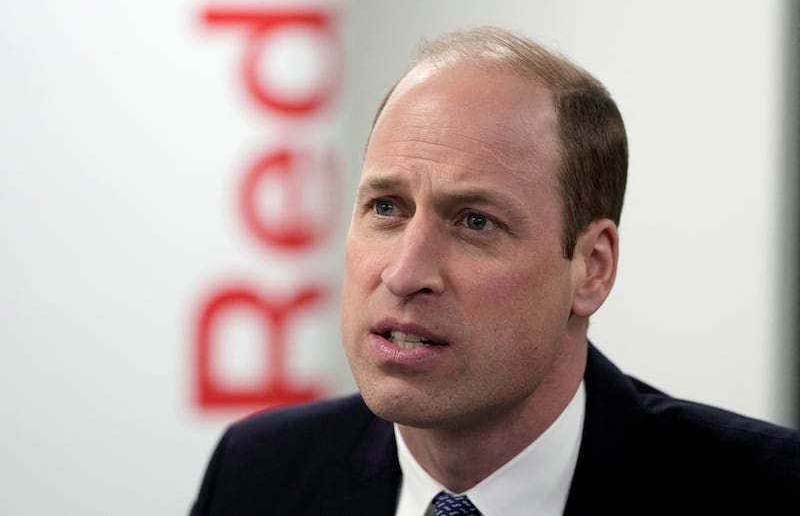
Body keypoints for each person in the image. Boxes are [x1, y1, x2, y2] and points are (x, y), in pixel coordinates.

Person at [189, 26, 800, 516]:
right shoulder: (258, 473)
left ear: (591, 268)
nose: (405, 273)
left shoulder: (766, 489)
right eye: (385, 208)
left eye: (475, 222)